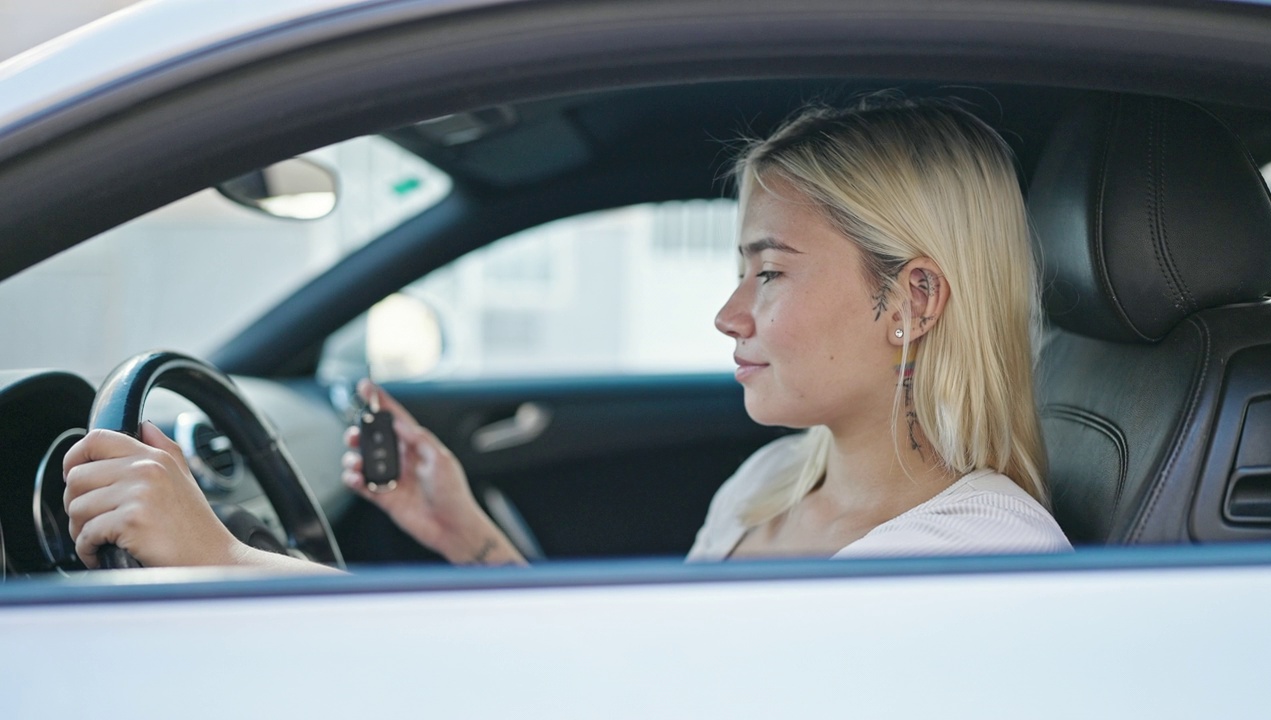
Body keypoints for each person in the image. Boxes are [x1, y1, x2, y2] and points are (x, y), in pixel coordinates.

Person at [61, 99, 1070, 571]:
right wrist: (471, 537)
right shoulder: (771, 486)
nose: (728, 314)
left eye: (766, 272)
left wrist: (224, 564)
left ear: (912, 302)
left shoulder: (967, 558)